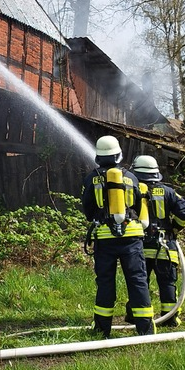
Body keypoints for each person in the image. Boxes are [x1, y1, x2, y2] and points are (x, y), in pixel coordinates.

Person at [81, 135, 154, 337]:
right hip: (131, 237)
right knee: (138, 280)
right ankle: (145, 329)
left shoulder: (91, 177)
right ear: (118, 155)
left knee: (105, 281)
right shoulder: (131, 177)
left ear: (98, 156)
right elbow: (140, 207)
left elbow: (87, 210)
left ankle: (102, 329)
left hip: (104, 238)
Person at [130, 154, 185, 327]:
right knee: (167, 283)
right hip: (165, 246)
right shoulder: (168, 192)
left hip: (138, 246)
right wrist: (175, 229)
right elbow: (183, 211)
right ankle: (169, 318)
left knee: (139, 282)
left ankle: (135, 315)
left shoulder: (132, 190)